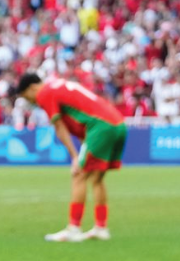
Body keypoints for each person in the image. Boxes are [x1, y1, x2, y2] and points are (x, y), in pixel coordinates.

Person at [14, 73, 126, 242]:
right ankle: (101, 228)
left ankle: (74, 228)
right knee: (96, 178)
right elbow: (81, 119)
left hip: (100, 126)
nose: (31, 101)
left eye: (27, 97)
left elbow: (59, 127)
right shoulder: (59, 85)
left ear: (32, 88)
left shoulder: (45, 93)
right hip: (118, 124)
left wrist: (75, 156)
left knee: (79, 174)